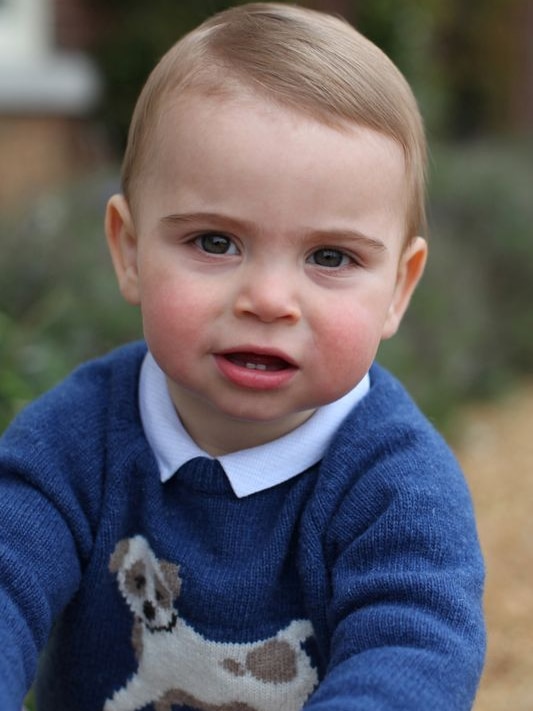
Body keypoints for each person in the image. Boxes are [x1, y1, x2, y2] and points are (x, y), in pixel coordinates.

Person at [0, 3, 485, 710]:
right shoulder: (72, 444)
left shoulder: (397, 488)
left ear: (397, 290)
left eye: (329, 256)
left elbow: (412, 660)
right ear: (129, 250)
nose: (267, 299)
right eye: (214, 242)